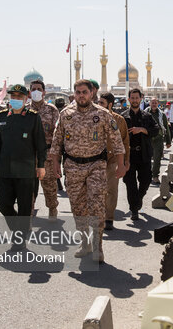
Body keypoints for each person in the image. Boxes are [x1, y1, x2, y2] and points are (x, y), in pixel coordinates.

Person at [49, 80, 126, 261]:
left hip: (96, 166)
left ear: (92, 93)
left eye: (84, 92)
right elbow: (56, 140)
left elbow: (117, 141)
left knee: (97, 205)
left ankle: (98, 246)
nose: (81, 95)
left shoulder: (103, 114)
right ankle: (85, 243)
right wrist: (54, 163)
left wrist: (121, 165)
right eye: (78, 92)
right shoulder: (65, 114)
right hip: (73, 167)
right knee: (78, 206)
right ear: (74, 94)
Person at [0, 84, 46, 251]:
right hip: (5, 170)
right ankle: (18, 231)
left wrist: (41, 165)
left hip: (26, 171)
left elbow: (40, 144)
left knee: (24, 207)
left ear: (25, 99)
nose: (15, 100)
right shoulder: (1, 117)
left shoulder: (33, 117)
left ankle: (18, 240)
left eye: (19, 97)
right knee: (3, 204)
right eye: (13, 97)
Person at [121, 88, 159, 220]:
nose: (135, 100)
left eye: (137, 98)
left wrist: (142, 129)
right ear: (129, 99)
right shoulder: (123, 117)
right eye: (133, 98)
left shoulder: (147, 116)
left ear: (141, 99)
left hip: (144, 154)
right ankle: (134, 210)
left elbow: (156, 130)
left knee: (146, 180)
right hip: (129, 156)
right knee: (130, 184)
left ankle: (139, 198)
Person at [27, 79, 60, 219]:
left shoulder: (52, 110)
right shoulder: (24, 110)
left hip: (47, 154)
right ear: (29, 93)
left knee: (50, 186)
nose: (36, 92)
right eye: (33, 89)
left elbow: (58, 134)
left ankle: (52, 209)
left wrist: (56, 156)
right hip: (28, 155)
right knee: (28, 187)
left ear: (44, 92)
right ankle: (28, 211)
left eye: (39, 89)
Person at [98, 92, 129, 230]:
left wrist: (124, 162)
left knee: (111, 190)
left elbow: (125, 142)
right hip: (95, 161)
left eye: (102, 103)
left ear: (110, 105)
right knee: (96, 190)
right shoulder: (93, 118)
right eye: (98, 103)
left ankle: (109, 217)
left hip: (112, 160)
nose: (99, 106)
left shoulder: (119, 120)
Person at [145, 97, 171, 185]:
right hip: (147, 139)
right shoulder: (144, 113)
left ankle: (155, 176)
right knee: (146, 159)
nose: (154, 104)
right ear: (150, 104)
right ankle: (147, 176)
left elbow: (166, 128)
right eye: (152, 102)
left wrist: (168, 141)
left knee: (157, 159)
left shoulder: (162, 115)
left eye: (155, 103)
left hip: (158, 139)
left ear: (158, 104)